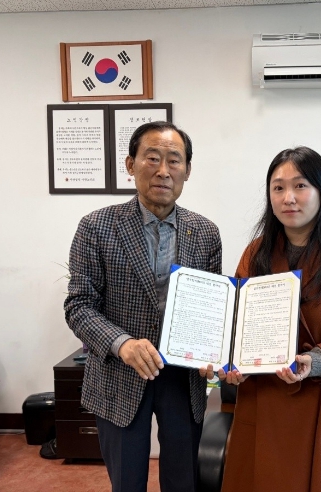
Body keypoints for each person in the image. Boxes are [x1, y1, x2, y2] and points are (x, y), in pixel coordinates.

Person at [204, 146, 321, 491]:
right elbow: (236, 326)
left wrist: (316, 362)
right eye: (278, 188)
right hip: (265, 406)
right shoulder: (256, 254)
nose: (288, 197)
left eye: (300, 186)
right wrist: (230, 363)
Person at [65, 121, 222, 492]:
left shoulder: (205, 232)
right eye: (152, 158)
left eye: (174, 160)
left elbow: (213, 308)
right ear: (130, 164)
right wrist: (122, 344)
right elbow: (79, 305)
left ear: (187, 170)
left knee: (183, 481)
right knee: (127, 482)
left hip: (183, 376)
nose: (163, 170)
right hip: (120, 372)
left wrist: (214, 355)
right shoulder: (96, 227)